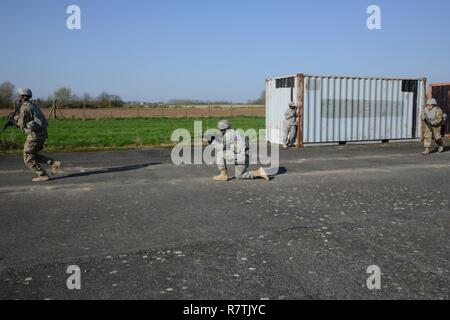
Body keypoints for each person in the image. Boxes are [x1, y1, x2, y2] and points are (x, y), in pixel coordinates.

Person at [14, 88, 61, 181]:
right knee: (32, 155)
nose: (17, 97)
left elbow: (22, 123)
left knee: (27, 157)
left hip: (34, 135)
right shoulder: (33, 105)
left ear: (23, 97)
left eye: (18, 95)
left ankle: (42, 174)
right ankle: (53, 163)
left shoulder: (24, 107)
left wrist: (15, 120)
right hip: (42, 133)